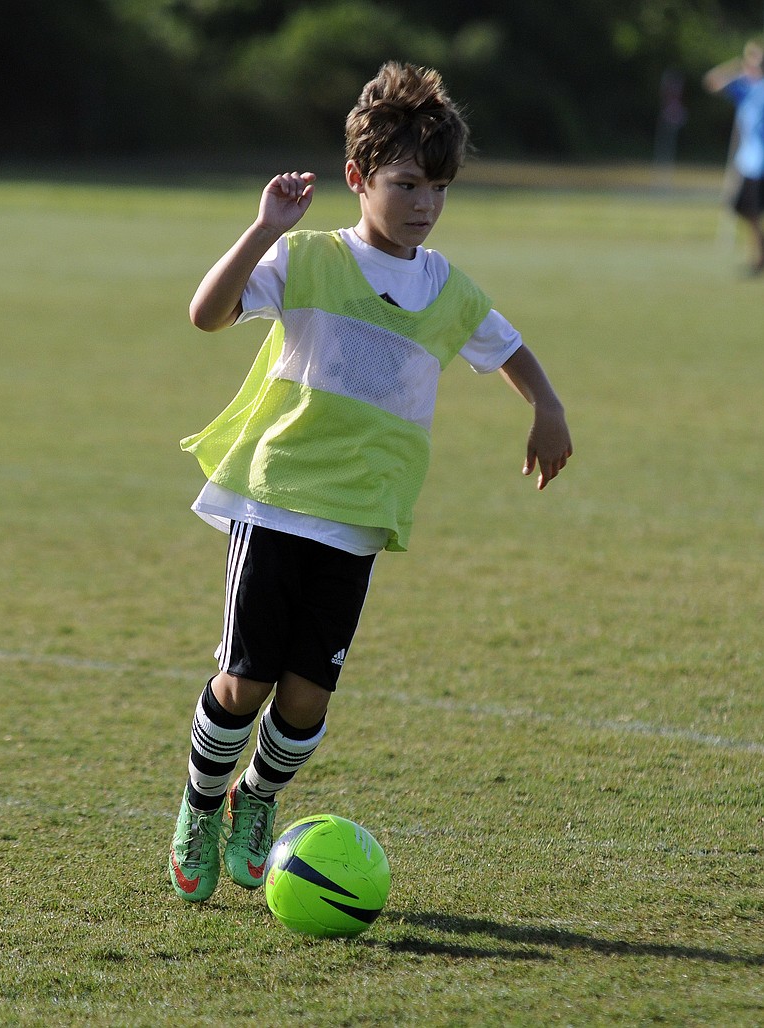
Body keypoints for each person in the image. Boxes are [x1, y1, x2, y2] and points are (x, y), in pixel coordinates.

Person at [169, 62, 573, 903]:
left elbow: (506, 346)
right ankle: (201, 805)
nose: (424, 203)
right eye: (406, 183)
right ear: (358, 179)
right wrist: (260, 229)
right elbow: (207, 315)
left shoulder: (446, 289)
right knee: (245, 680)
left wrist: (548, 406)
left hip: (363, 517)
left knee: (309, 697)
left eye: (439, 187)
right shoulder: (309, 258)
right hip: (280, 496)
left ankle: (257, 800)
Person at [704, 41, 764, 274]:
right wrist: (737, 66)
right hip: (749, 162)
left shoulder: (758, 89)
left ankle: (758, 258)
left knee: (750, 210)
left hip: (759, 163)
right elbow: (711, 81)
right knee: (744, 209)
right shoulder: (744, 88)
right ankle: (759, 256)